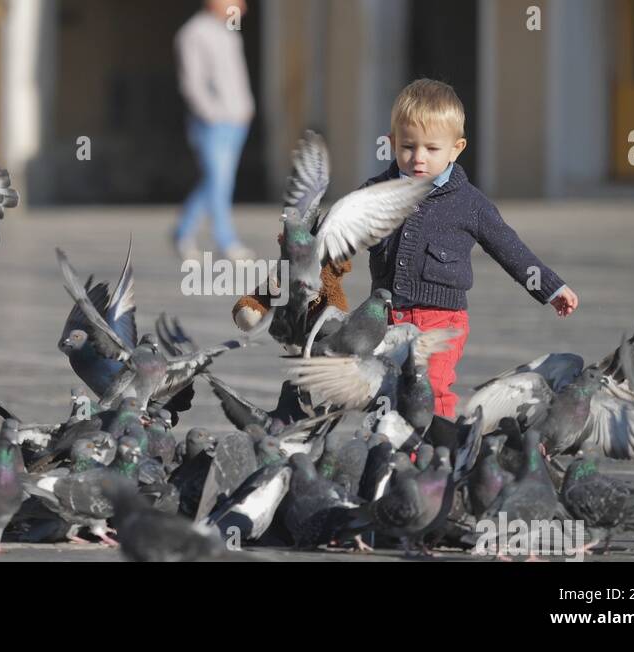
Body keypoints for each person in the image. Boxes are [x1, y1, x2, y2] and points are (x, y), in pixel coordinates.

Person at [234, 79, 579, 419]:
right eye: (408, 146)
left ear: (457, 148)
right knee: (384, 389)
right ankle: (391, 456)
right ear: (391, 143)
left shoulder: (470, 204)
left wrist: (550, 287)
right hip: (381, 320)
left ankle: (440, 454)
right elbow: (340, 242)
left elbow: (509, 248)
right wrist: (306, 255)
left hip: (440, 322)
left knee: (429, 387)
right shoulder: (375, 192)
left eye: (432, 149)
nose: (418, 158)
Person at [173, 0, 255, 262]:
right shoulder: (193, 33)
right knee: (220, 181)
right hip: (212, 123)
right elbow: (192, 83)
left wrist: (245, 107)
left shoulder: (228, 33)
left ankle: (183, 231)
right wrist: (212, 114)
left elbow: (236, 78)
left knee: (217, 181)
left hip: (236, 120)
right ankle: (226, 240)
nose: (241, 6)